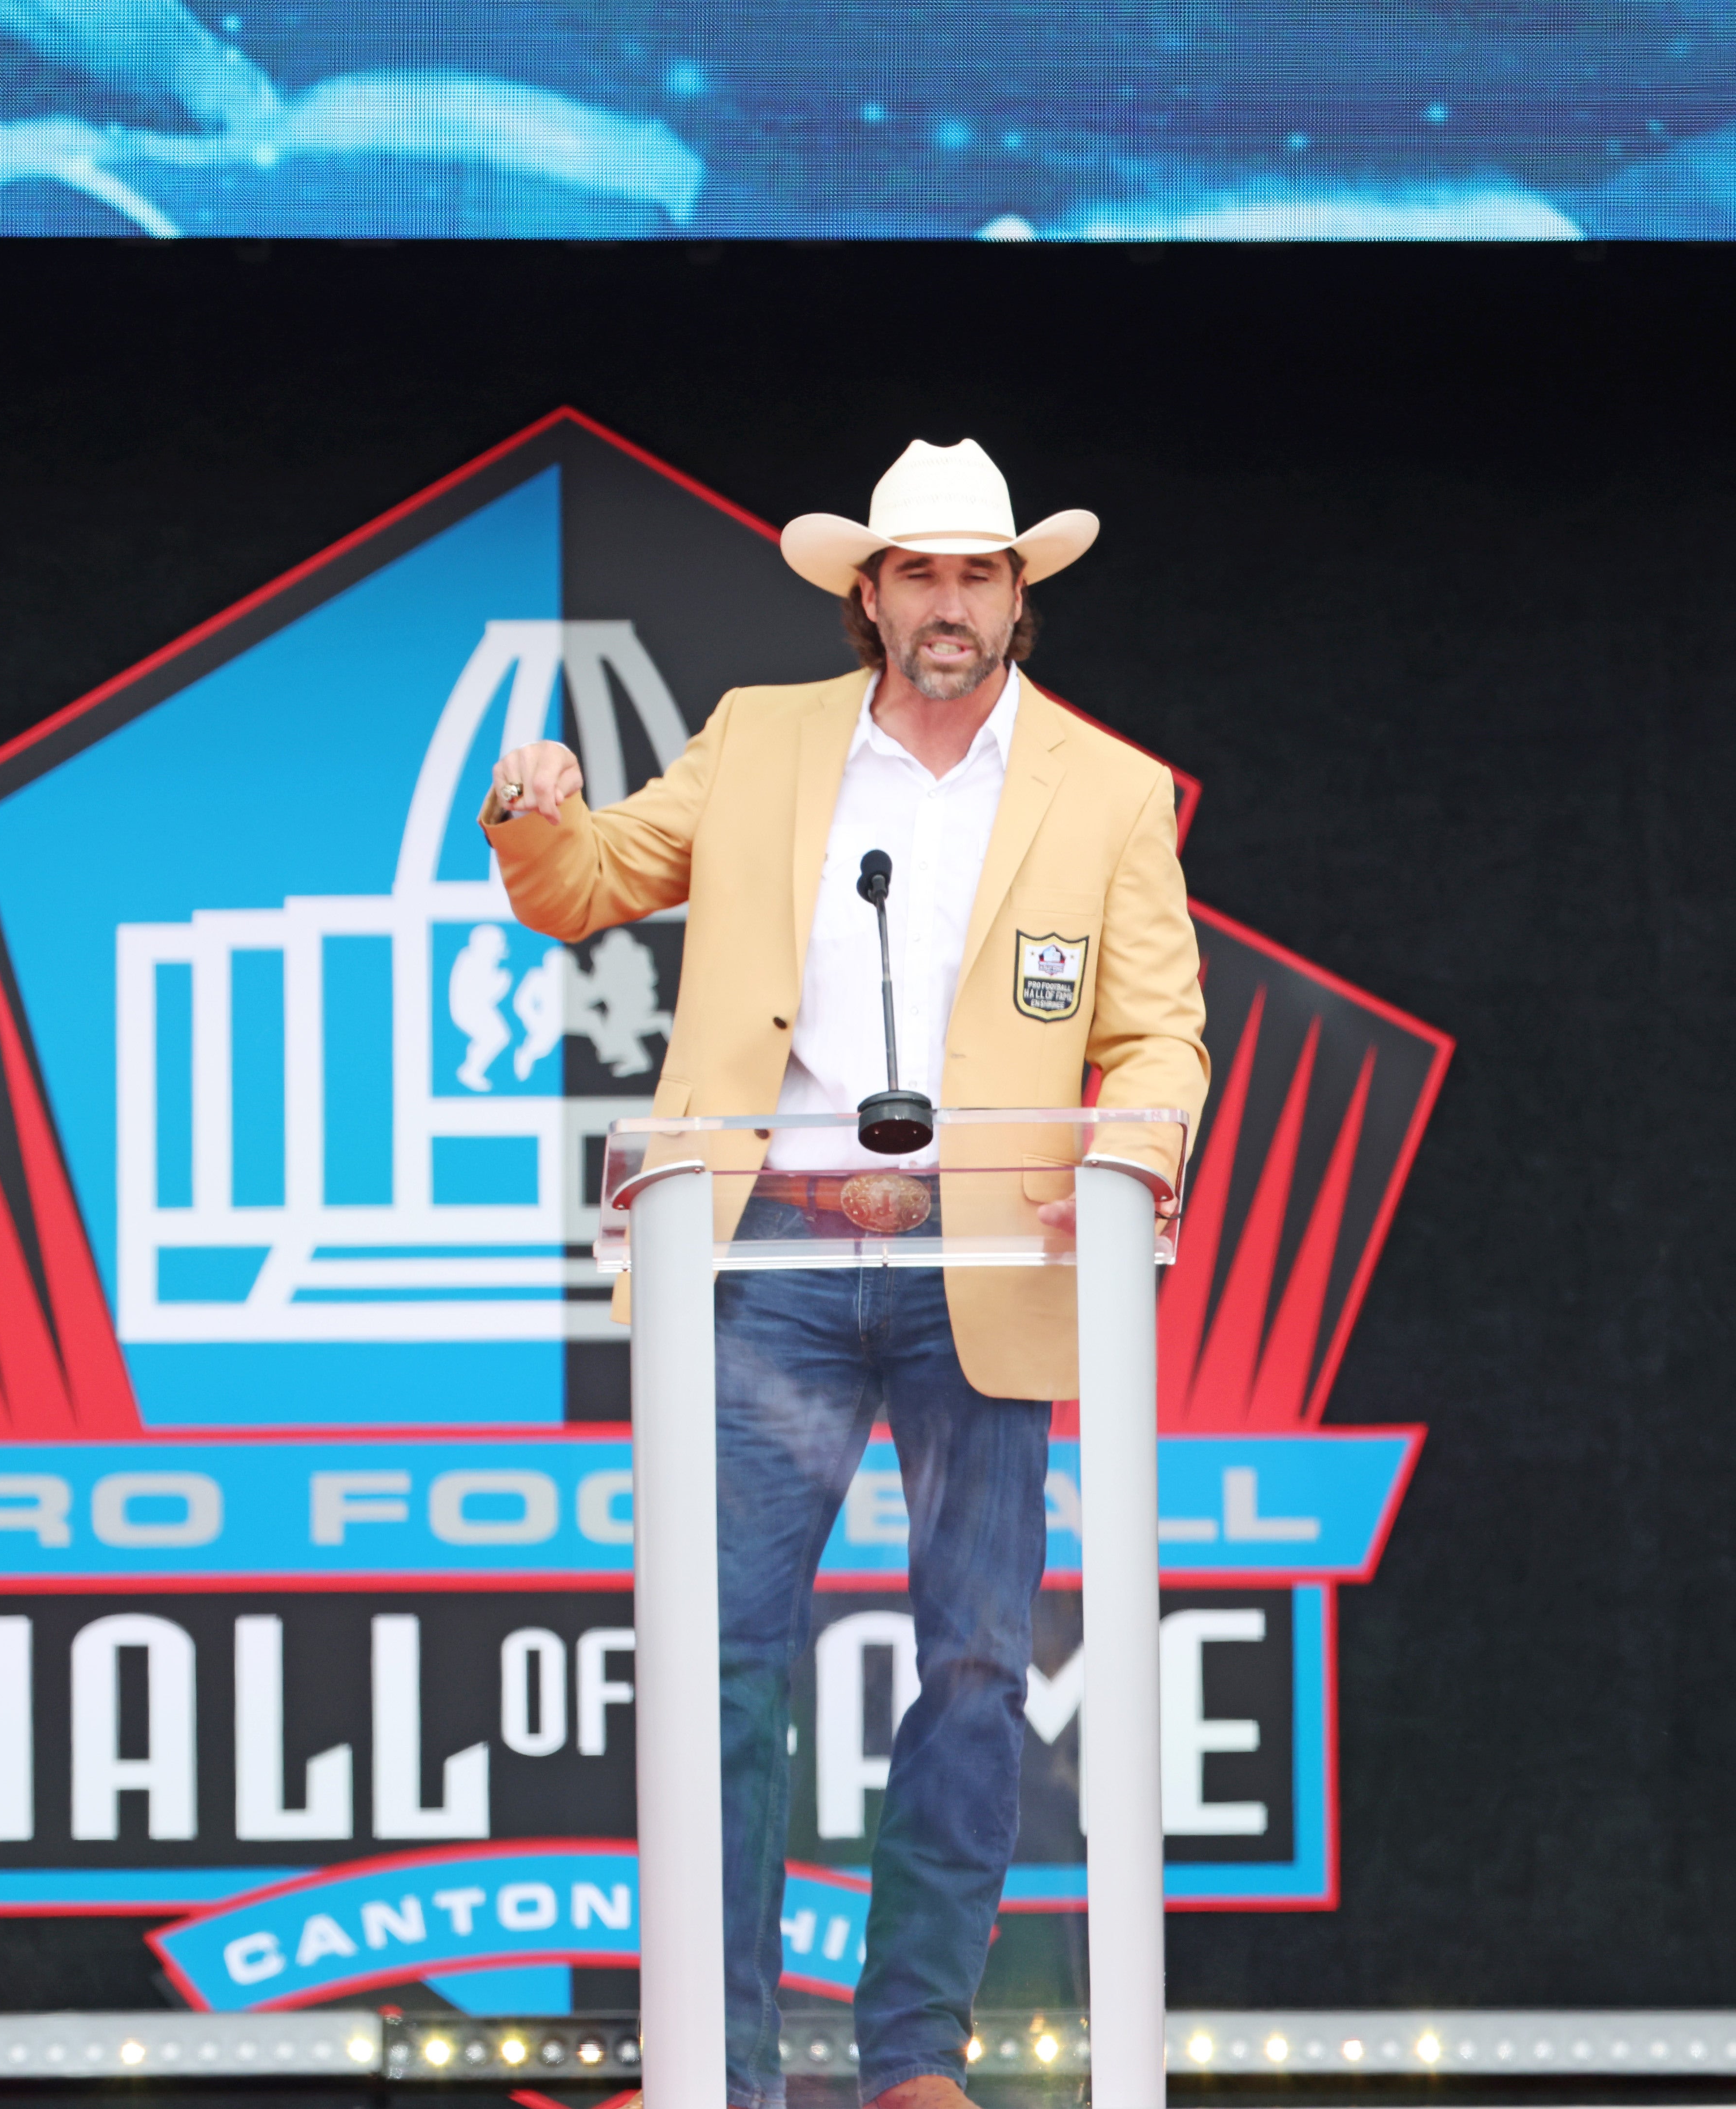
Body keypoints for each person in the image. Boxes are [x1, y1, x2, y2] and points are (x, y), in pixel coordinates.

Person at [482, 438, 1207, 2109]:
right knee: (724, 1649)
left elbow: (1159, 1030)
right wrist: (533, 815)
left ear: (1021, 598)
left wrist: (1130, 1149)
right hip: (779, 1242)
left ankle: (910, 2063)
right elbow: (589, 883)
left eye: (978, 577)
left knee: (972, 1662)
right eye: (920, 576)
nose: (948, 606)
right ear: (864, 594)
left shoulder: (1104, 789)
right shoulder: (761, 739)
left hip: (992, 1253)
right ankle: (714, 2071)